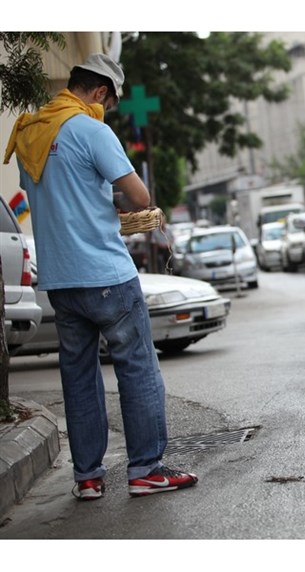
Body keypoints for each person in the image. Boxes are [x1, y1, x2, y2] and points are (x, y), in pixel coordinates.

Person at [3, 53, 198, 500]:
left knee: (78, 376)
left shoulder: (32, 133)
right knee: (138, 369)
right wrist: (117, 202)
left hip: (59, 279)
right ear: (99, 92)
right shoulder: (92, 130)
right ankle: (146, 468)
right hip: (106, 273)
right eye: (107, 103)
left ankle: (87, 476)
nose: (106, 110)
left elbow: (56, 198)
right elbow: (138, 195)